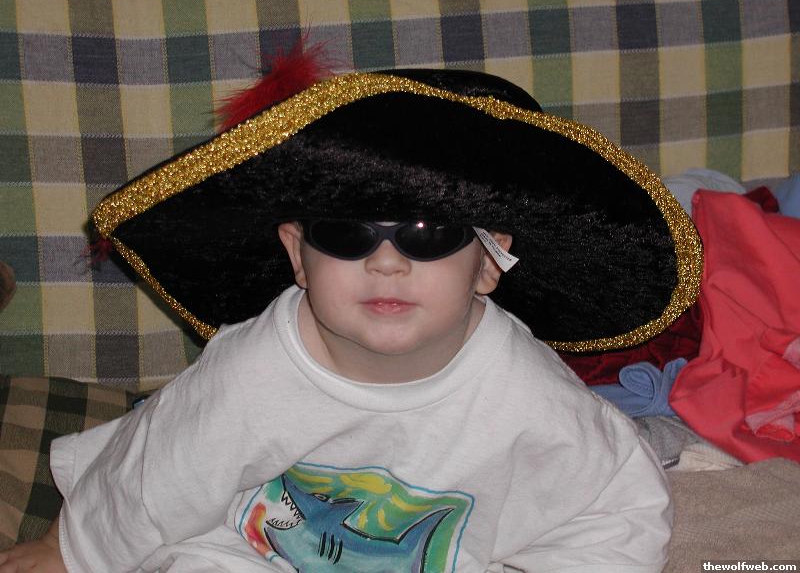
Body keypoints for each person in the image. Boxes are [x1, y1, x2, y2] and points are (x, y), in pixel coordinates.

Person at [0, 65, 702, 572]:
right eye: (346, 232)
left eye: (428, 233)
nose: (386, 262)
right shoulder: (254, 371)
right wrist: (67, 552)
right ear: (297, 256)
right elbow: (157, 478)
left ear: (489, 265)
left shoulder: (527, 393)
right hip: (249, 539)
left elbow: (615, 502)